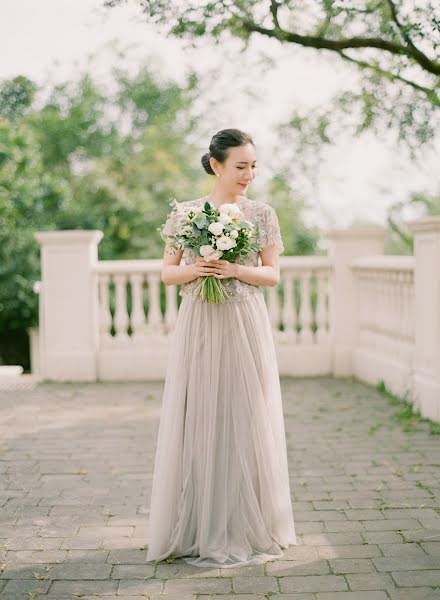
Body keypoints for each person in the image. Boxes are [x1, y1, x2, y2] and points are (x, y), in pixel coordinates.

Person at [145, 128, 297, 568]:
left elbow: (272, 275)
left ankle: (247, 522)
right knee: (202, 413)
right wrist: (198, 269)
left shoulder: (262, 214)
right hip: (201, 324)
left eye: (253, 165)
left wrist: (233, 268)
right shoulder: (187, 214)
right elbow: (167, 274)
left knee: (247, 415)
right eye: (240, 166)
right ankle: (197, 524)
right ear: (216, 165)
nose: (249, 174)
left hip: (244, 321)